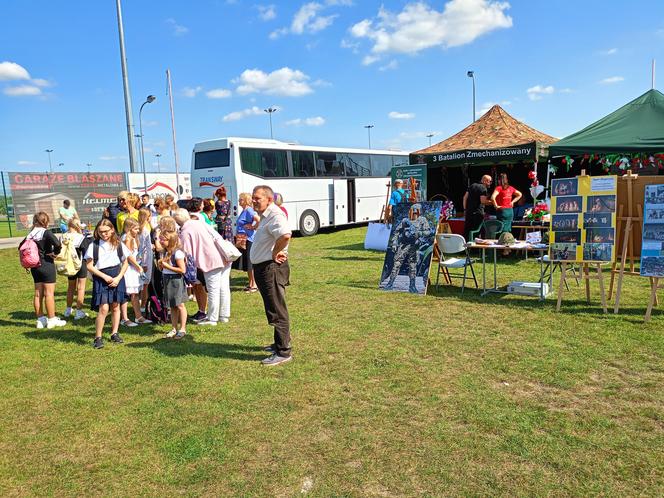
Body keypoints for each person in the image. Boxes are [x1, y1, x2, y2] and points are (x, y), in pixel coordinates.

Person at [250, 185, 293, 366]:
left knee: (277, 309)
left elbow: (285, 235)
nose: (254, 201)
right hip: (264, 267)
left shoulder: (275, 215)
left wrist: (276, 252)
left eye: (257, 198)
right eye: (253, 197)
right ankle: (278, 344)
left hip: (271, 268)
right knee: (273, 307)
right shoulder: (267, 215)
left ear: (269, 199)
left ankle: (283, 352)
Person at [174, 208, 231, 326]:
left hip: (210, 260)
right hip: (223, 255)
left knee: (213, 289)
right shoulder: (199, 223)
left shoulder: (185, 231)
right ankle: (224, 315)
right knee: (223, 287)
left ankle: (212, 318)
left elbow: (186, 252)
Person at [85, 219, 130, 349]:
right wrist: (104, 276)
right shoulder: (94, 246)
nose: (104, 234)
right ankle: (98, 337)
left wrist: (119, 277)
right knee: (104, 308)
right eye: (100, 232)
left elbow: (125, 261)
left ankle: (114, 333)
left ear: (112, 230)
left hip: (117, 275)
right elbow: (89, 266)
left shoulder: (118, 244)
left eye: (106, 231)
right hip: (101, 277)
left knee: (116, 306)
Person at [25, 212, 66, 329]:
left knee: (38, 294)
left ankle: (40, 320)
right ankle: (52, 319)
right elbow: (58, 244)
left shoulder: (30, 234)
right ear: (46, 221)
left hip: (34, 266)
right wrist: (55, 253)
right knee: (49, 293)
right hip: (46, 264)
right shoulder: (46, 232)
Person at [157, 230, 188, 339]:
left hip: (176, 280)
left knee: (180, 305)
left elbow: (182, 270)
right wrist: (161, 266)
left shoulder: (177, 253)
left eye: (163, 239)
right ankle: (174, 328)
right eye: (160, 239)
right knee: (172, 305)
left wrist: (167, 266)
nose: (160, 241)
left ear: (171, 241)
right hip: (167, 279)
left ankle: (182, 328)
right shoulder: (164, 252)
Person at [121, 218, 152, 325]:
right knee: (128, 293)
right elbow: (128, 256)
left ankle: (138, 316)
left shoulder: (134, 238)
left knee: (135, 293)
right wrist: (138, 266)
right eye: (135, 228)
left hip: (134, 267)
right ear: (129, 228)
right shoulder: (127, 238)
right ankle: (125, 319)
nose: (137, 231)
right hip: (129, 269)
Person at [63, 219, 92, 321]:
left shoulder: (63, 236)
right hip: (80, 264)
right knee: (81, 287)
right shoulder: (80, 237)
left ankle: (68, 309)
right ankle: (79, 311)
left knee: (70, 287)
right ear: (77, 226)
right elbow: (86, 252)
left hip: (68, 264)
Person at [236, 192, 260, 292]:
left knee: (250, 262)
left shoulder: (249, 210)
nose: (239, 201)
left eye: (241, 199)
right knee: (247, 262)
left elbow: (258, 219)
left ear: (245, 200)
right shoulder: (244, 210)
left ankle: (254, 284)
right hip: (243, 238)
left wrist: (253, 226)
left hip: (249, 239)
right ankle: (250, 283)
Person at [463, 174, 493, 241]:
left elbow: (465, 197)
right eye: (490, 181)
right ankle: (476, 248)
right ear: (485, 181)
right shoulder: (483, 188)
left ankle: (466, 248)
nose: (490, 183)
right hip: (478, 214)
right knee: (478, 231)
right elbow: (483, 201)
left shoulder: (472, 185)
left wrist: (465, 209)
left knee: (468, 230)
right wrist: (493, 202)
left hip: (469, 212)